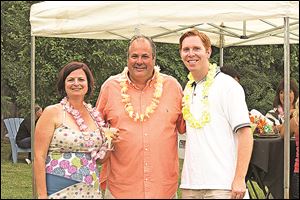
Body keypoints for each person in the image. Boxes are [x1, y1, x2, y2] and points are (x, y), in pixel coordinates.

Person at [96, 35, 186, 198]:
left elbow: (186, 126)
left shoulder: (172, 87)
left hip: (163, 188)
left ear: (154, 58)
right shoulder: (110, 87)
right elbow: (95, 129)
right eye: (134, 56)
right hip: (120, 189)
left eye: (145, 56)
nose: (139, 61)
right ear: (127, 58)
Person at [179, 29, 253, 199]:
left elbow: (245, 134)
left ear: (208, 51)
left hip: (223, 185)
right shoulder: (188, 88)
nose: (191, 54)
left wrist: (239, 179)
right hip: (191, 185)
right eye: (186, 49)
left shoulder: (228, 86)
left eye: (196, 48)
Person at [34, 61, 118, 199]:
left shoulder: (94, 115)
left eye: (81, 79)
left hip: (90, 190)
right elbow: (39, 156)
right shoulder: (52, 112)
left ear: (88, 84)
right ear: (63, 84)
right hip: (58, 190)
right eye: (71, 79)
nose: (76, 83)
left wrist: (110, 142)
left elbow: (99, 160)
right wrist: (42, 195)